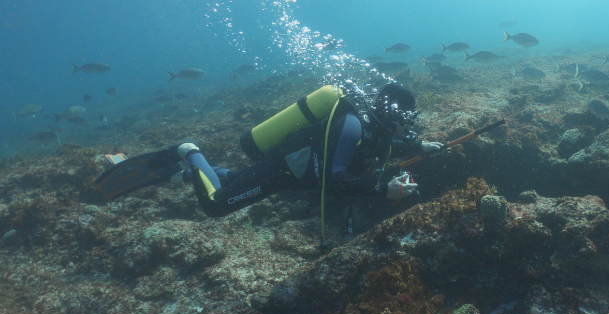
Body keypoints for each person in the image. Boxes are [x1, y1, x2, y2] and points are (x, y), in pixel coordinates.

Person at [94, 82, 443, 218]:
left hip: (292, 175)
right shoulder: (351, 124)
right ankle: (188, 151)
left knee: (236, 180)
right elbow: (334, 177)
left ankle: (180, 174)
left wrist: (419, 145)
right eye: (406, 119)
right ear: (389, 114)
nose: (408, 126)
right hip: (283, 169)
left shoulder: (374, 130)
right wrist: (382, 189)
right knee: (216, 206)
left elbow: (385, 144)